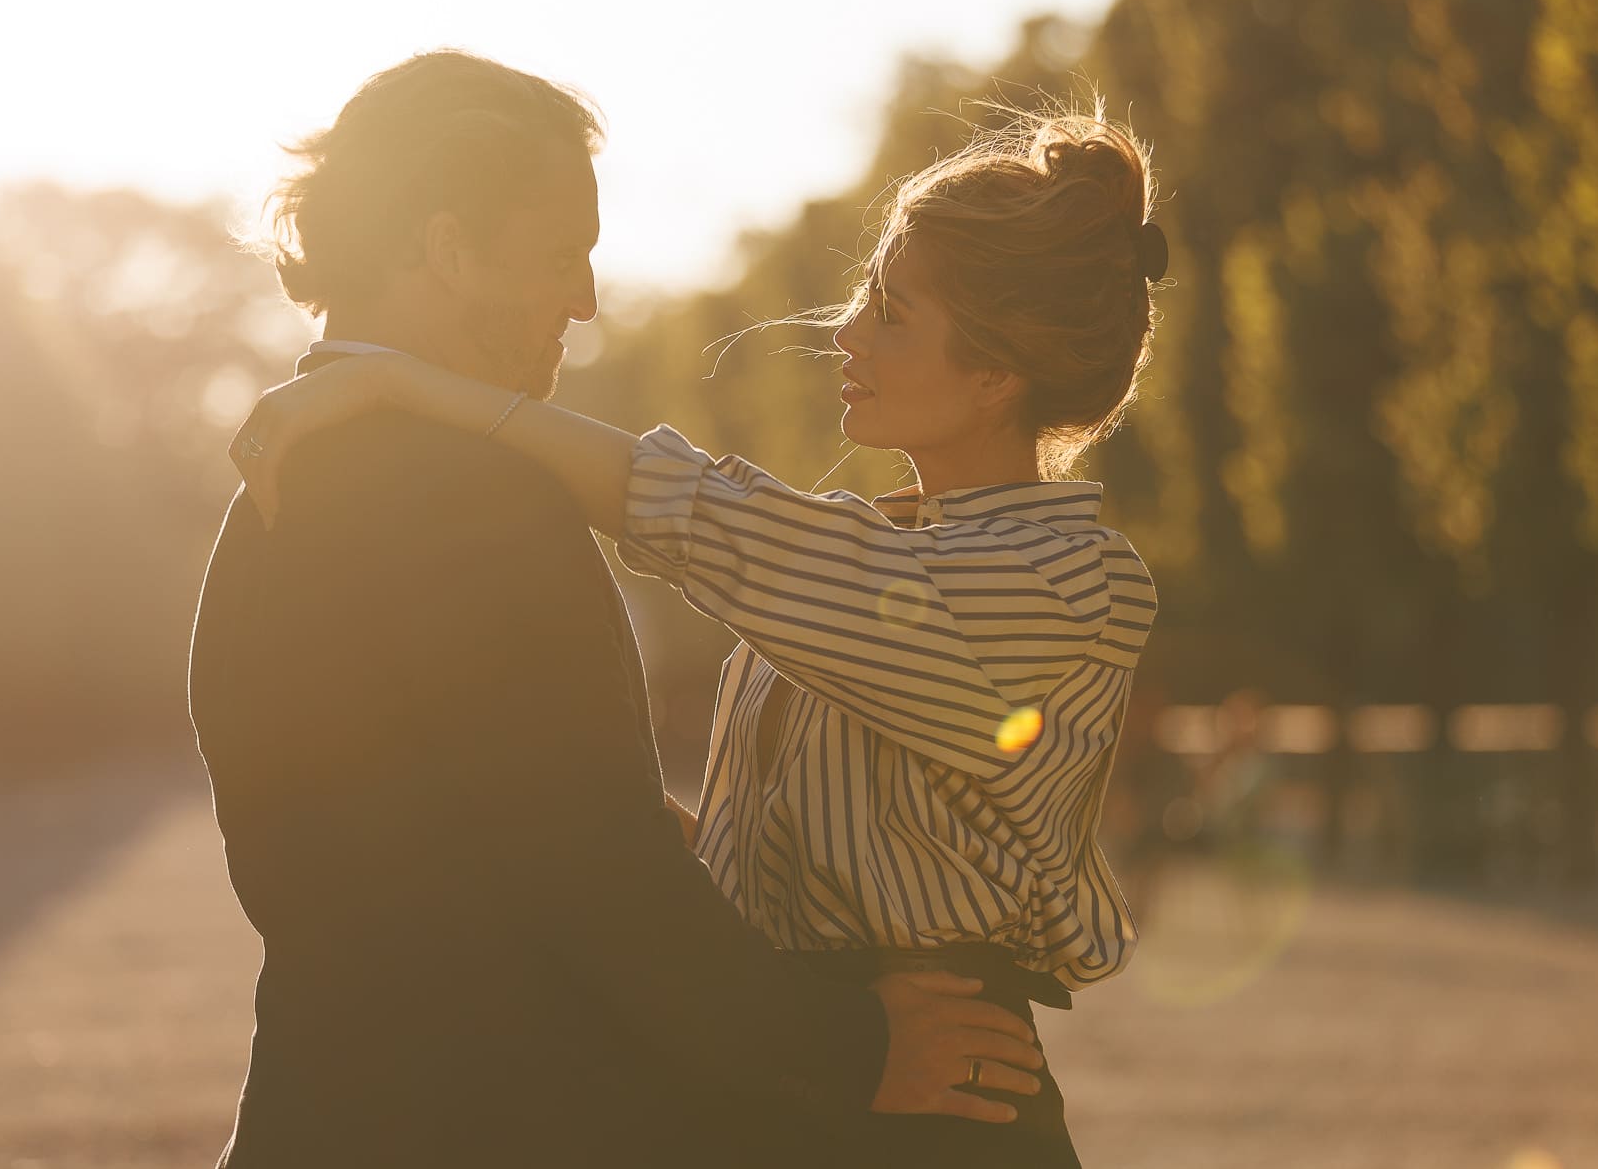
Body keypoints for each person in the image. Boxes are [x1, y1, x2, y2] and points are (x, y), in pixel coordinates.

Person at [233, 91, 1165, 1167]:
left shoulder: (1062, 580)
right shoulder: (871, 553)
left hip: (936, 1102)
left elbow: (713, 520)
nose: (845, 330)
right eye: (867, 292)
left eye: (894, 313)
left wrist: (412, 386)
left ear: (997, 372)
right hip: (830, 1082)